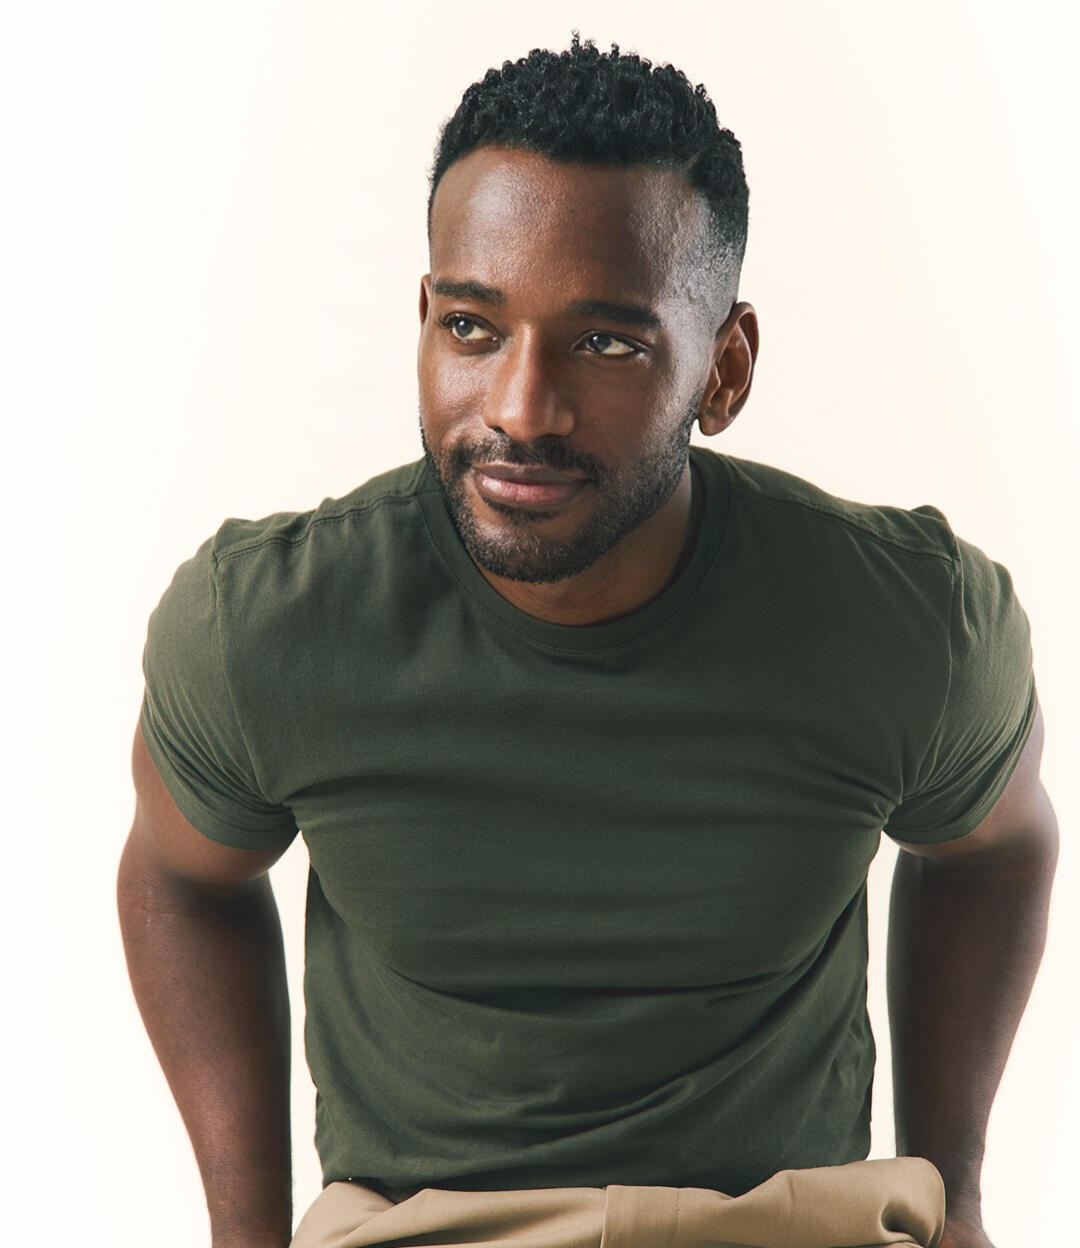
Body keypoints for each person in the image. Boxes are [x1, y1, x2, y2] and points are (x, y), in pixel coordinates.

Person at [117, 36, 1058, 1248]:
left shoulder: (910, 624)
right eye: (473, 327)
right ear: (425, 321)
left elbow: (992, 850)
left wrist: (960, 1196)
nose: (520, 408)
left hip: (779, 1229)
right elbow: (184, 878)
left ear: (724, 371)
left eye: (606, 343)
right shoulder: (266, 628)